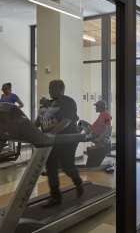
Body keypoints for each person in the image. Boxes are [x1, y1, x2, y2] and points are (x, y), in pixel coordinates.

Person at [34, 79, 83, 208]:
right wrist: (28, 130)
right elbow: (38, 121)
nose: (51, 90)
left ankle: (78, 182)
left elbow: (66, 120)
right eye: (50, 88)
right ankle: (55, 197)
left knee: (67, 166)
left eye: (54, 88)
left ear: (62, 89)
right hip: (51, 140)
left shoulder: (68, 101)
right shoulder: (46, 103)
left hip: (67, 139)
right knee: (51, 167)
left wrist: (53, 133)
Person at [0, 83, 24, 155]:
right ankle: (12, 149)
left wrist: (13, 110)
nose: (3, 90)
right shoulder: (2, 96)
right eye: (2, 89)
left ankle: (11, 150)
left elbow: (21, 104)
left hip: (10, 116)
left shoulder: (14, 96)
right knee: (3, 132)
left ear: (9, 88)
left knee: (8, 132)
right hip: (3, 116)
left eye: (5, 89)